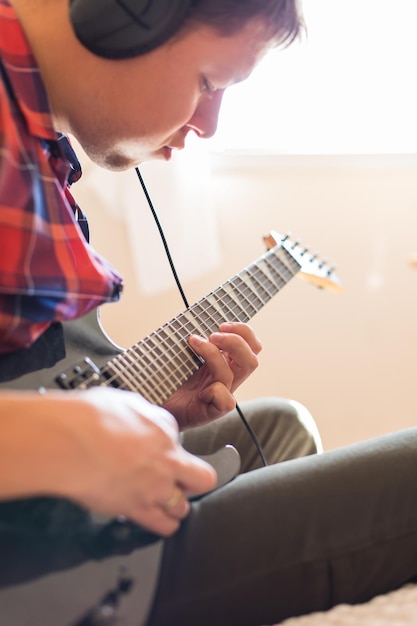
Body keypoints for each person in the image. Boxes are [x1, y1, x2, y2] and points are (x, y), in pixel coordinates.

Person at [0, 1, 416, 625]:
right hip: (35, 566)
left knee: (275, 425)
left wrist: (147, 409)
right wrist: (47, 440)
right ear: (127, 14)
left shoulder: (33, 140)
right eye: (209, 82)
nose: (210, 125)